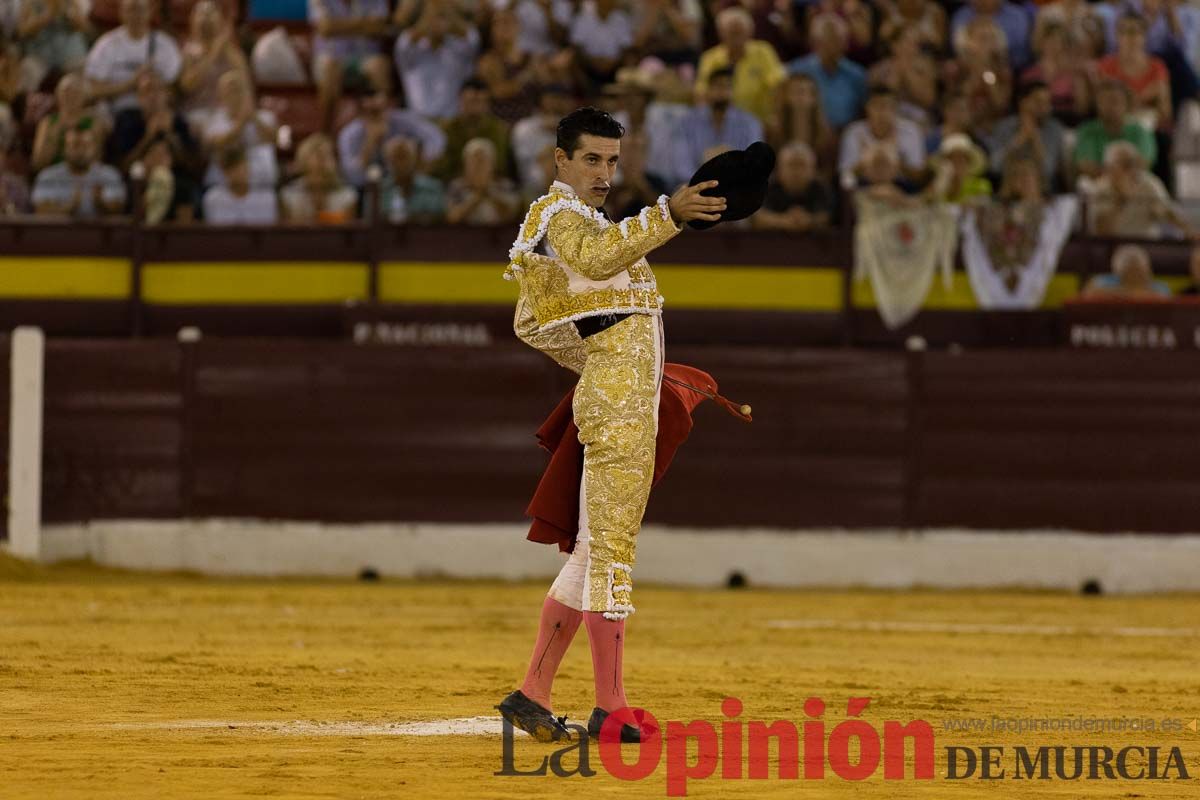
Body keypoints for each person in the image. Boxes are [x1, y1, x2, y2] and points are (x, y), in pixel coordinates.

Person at [497, 106, 724, 744]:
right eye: (592, 159)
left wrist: (620, 364)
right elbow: (597, 258)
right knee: (613, 559)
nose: (604, 172)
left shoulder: (579, 225)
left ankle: (531, 694)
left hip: (623, 400)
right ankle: (613, 707)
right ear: (560, 161)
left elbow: (530, 322)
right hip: (620, 412)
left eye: (612, 161)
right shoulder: (564, 218)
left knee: (594, 555)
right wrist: (668, 215)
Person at [335, 84, 445, 188]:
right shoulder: (349, 135)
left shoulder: (403, 120)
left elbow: (436, 138)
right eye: (370, 112)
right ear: (360, 112)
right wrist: (369, 143)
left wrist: (421, 164)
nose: (376, 117)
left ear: (387, 105)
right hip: (369, 191)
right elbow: (353, 178)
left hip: (407, 184)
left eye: (379, 110)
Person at [84, 0, 182, 113]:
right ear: (121, 13)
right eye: (131, 10)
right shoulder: (107, 44)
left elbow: (177, 88)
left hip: (156, 112)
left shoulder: (165, 44)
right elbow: (94, 89)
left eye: (140, 10)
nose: (136, 15)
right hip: (119, 112)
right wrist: (131, 83)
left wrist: (152, 86)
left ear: (150, 12)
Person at [672, 67, 763, 186]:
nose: (722, 91)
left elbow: (756, 164)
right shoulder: (687, 122)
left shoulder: (750, 123)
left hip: (737, 187)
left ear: (734, 91)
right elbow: (681, 166)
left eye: (727, 86)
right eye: (718, 86)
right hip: (696, 187)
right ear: (708, 90)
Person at [308, 0, 391, 131]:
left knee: (379, 66)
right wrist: (364, 25)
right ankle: (324, 133)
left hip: (365, 58)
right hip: (330, 58)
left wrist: (338, 27)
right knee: (331, 68)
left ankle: (384, 127)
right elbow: (326, 28)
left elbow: (379, 26)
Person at [696, 6, 786, 125]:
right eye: (732, 33)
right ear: (721, 34)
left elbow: (778, 85)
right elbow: (702, 93)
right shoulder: (710, 58)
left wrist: (776, 116)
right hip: (723, 123)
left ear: (750, 32)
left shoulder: (763, 51)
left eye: (740, 32)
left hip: (761, 122)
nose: (736, 38)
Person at [1084, 140, 1193, 238]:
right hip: (1112, 247)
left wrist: (1189, 230)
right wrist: (1121, 201)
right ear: (1108, 168)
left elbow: (1166, 212)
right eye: (1125, 165)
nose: (1131, 170)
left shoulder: (1149, 183)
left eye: (1133, 163)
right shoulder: (1099, 190)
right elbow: (1100, 231)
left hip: (1147, 244)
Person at [392, 0, 479, 120]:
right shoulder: (411, 54)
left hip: (452, 121)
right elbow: (404, 41)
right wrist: (429, 11)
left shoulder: (459, 52)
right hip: (419, 121)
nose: (436, 23)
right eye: (432, 18)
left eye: (441, 18)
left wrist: (447, 9)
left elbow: (472, 37)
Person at [178, 0, 251, 134]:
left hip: (227, 113)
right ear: (192, 21)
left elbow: (246, 87)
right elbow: (187, 86)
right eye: (201, 14)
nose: (205, 19)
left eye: (210, 13)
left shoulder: (233, 53)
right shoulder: (188, 53)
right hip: (197, 113)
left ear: (219, 19)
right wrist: (213, 54)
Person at [788, 13, 867, 129]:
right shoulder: (797, 71)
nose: (842, 45)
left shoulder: (857, 74)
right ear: (816, 42)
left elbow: (863, 112)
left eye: (843, 40)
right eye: (833, 40)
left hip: (845, 134)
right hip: (808, 132)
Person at [983, 81, 1065, 191]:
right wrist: (1019, 140)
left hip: (1043, 193)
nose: (1045, 107)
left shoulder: (1054, 129)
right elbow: (994, 166)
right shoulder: (1004, 127)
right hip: (1007, 192)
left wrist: (1035, 139)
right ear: (1023, 102)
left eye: (1048, 103)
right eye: (1038, 102)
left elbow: (1048, 171)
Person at [202, 70, 279, 189]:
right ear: (221, 95)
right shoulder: (213, 119)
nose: (235, 95)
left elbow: (274, 140)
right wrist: (241, 123)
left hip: (260, 177)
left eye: (238, 90)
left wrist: (254, 118)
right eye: (229, 91)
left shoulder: (266, 117)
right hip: (224, 178)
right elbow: (217, 144)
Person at [838, 88, 926, 190]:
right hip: (864, 186)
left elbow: (919, 176)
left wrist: (896, 162)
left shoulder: (911, 131)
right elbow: (845, 177)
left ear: (896, 109)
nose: (882, 112)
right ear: (867, 107)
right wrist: (865, 163)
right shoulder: (853, 132)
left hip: (902, 187)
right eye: (876, 106)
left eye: (887, 106)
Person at [32, 125, 126, 217]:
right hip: (60, 232)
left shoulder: (109, 175)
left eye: (86, 145)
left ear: (95, 148)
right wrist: (69, 208)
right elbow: (40, 210)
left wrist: (99, 203)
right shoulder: (48, 176)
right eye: (75, 145)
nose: (81, 151)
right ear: (64, 149)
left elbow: (119, 209)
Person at [1073, 79, 1157, 179]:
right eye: (1103, 101)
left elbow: (1144, 164)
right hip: (1099, 184)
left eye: (1114, 101)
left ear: (1126, 104)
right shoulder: (1087, 130)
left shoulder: (1140, 131)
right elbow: (1085, 165)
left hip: (1135, 184)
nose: (1109, 106)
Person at [30, 72, 110, 172]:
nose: (69, 96)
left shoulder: (95, 123)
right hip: (53, 175)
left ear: (85, 96)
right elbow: (38, 163)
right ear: (58, 94)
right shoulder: (48, 122)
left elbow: (96, 160)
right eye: (65, 91)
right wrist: (53, 137)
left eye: (75, 92)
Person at [435, 79, 510, 183]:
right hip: (455, 182)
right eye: (471, 101)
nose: (475, 107)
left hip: (491, 181)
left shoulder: (498, 128)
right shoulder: (447, 129)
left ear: (488, 103)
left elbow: (501, 164)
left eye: (480, 101)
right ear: (460, 100)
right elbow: (443, 166)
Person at [751, 141, 831, 232]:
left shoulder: (821, 187)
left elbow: (828, 216)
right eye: (791, 165)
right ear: (779, 170)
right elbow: (756, 217)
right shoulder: (767, 187)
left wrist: (810, 221)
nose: (796, 172)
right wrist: (784, 221)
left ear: (813, 170)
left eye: (802, 165)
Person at [15, 0, 91, 92]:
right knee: (28, 69)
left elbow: (84, 28)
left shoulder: (71, 2)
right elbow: (23, 32)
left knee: (83, 71)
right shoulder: (30, 2)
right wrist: (46, 16)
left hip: (70, 52)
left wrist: (70, 16)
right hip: (40, 54)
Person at [280, 132, 358, 223]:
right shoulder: (289, 196)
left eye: (326, 156)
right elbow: (287, 233)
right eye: (317, 156)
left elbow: (349, 231)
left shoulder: (348, 196)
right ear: (303, 164)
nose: (322, 162)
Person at [445, 137, 519, 225]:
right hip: (465, 236)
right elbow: (452, 218)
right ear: (465, 164)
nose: (477, 166)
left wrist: (490, 193)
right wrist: (478, 196)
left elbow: (512, 216)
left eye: (482, 161)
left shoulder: (505, 186)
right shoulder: (456, 187)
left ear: (493, 164)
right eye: (473, 162)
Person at [202, 147, 279, 224]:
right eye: (233, 169)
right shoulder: (212, 198)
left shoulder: (268, 198)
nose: (239, 173)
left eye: (242, 168)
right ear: (224, 172)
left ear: (248, 168)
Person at [381, 135, 445, 224]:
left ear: (414, 159)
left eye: (405, 156)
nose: (401, 163)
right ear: (387, 161)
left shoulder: (433, 188)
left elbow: (439, 216)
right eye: (396, 157)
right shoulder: (379, 190)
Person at [1082, 243, 1172, 298]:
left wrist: (1118, 294)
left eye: (1138, 268)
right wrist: (1132, 293)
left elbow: (1162, 298)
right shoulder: (1102, 281)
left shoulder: (1160, 287)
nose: (1135, 273)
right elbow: (1088, 294)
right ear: (1118, 271)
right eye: (1130, 269)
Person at [927, 133, 993, 204]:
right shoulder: (938, 184)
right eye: (952, 159)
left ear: (969, 163)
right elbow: (926, 202)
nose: (957, 164)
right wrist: (942, 181)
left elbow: (982, 204)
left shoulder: (981, 185)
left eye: (961, 159)